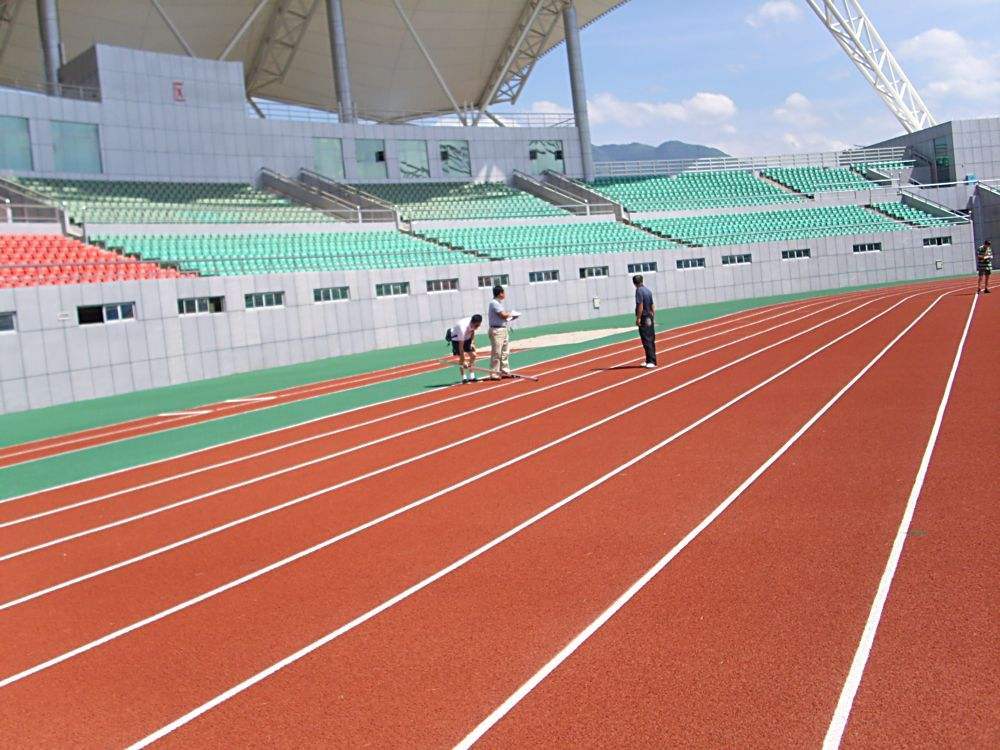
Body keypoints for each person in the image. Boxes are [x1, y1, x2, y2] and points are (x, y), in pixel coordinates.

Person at [487, 284, 516, 380]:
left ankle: (504, 371)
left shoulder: (498, 303)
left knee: (505, 352)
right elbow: (503, 315)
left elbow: (503, 318)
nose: (504, 294)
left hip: (502, 329)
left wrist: (511, 317)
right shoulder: (494, 303)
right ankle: (494, 373)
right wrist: (511, 314)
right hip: (497, 330)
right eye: (503, 292)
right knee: (497, 353)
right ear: (500, 293)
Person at [450, 313, 483, 383]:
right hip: (457, 340)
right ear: (474, 323)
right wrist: (463, 359)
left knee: (473, 356)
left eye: (479, 325)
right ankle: (464, 378)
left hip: (467, 338)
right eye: (477, 325)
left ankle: (472, 376)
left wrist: (472, 343)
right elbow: (461, 346)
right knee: (462, 359)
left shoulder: (474, 324)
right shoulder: (462, 328)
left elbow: (473, 331)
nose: (478, 326)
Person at [633, 274, 656, 368]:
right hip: (649, 316)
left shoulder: (639, 291)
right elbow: (652, 305)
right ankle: (649, 360)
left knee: (646, 339)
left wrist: (638, 318)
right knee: (651, 338)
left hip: (644, 316)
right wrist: (652, 316)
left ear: (634, 283)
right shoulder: (648, 290)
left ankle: (651, 361)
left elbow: (640, 306)